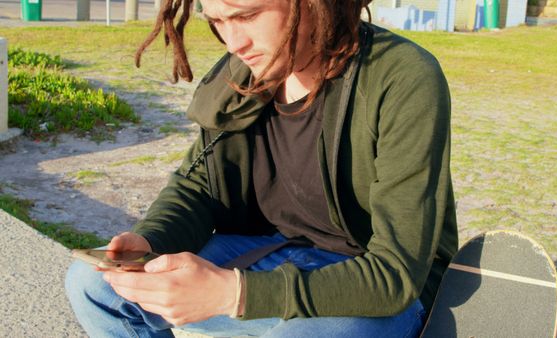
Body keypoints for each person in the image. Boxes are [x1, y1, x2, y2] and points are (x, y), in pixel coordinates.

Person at [65, 0, 458, 337]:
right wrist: (151, 242)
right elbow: (197, 187)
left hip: (374, 287)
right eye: (217, 21)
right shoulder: (242, 74)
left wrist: (233, 294)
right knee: (94, 286)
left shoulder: (402, 76)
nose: (235, 43)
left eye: (247, 15)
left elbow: (396, 275)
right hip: (274, 253)